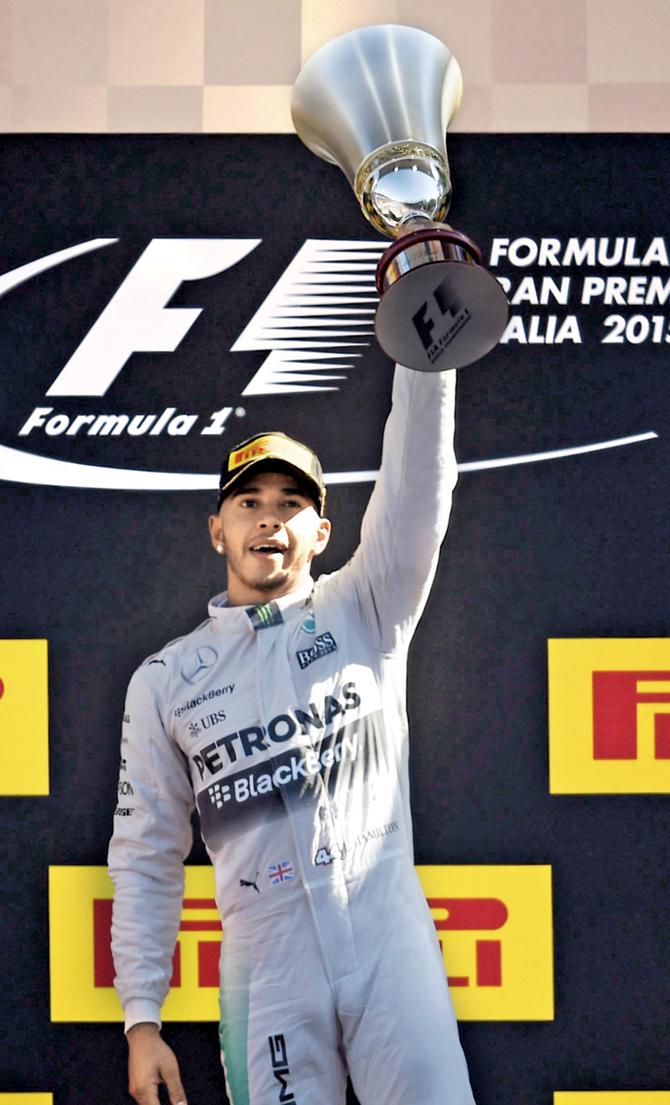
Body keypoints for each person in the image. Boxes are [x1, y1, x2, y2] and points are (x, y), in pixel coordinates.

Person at [108, 363, 476, 1105]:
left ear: (323, 531)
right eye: (248, 502)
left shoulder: (366, 605)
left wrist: (425, 357)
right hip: (265, 973)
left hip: (389, 947)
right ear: (218, 528)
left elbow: (419, 492)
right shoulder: (166, 678)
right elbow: (147, 856)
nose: (269, 518)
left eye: (291, 502)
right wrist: (141, 1018)